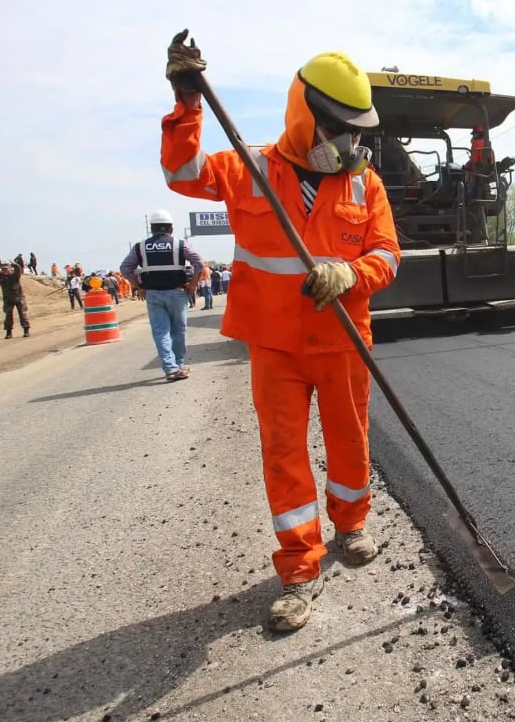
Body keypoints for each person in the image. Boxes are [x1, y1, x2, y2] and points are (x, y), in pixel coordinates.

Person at [162, 31, 401, 632]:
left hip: (343, 338)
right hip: (274, 346)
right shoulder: (250, 169)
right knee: (285, 457)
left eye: (356, 132)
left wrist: (351, 271)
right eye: (339, 129)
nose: (349, 143)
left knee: (349, 443)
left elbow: (389, 255)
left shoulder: (362, 183)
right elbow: (182, 172)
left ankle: (351, 526)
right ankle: (300, 567)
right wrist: (187, 103)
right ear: (305, 115)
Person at [120, 209, 203, 382]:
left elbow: (125, 268)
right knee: (178, 331)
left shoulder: (140, 247)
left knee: (161, 332)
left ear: (152, 228)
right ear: (171, 228)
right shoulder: (180, 244)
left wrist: (138, 286)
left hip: (153, 295)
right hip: (177, 293)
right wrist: (193, 284)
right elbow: (198, 262)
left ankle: (171, 369)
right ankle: (178, 364)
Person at [0, 260, 30, 339]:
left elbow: (18, 270)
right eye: (3, 269)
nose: (4, 271)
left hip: (19, 298)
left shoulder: (14, 276)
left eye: (6, 269)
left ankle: (26, 330)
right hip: (8, 299)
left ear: (10, 269)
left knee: (22, 314)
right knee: (8, 316)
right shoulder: (0, 276)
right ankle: (8, 332)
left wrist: (15, 264)